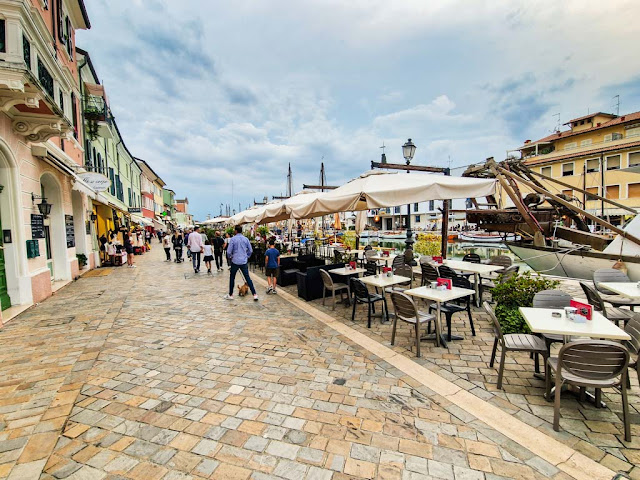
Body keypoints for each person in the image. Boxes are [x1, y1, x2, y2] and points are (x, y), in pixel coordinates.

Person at [225, 225, 258, 301]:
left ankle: (231, 294)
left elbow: (229, 251)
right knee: (248, 278)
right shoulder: (246, 239)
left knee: (232, 277)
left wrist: (230, 257)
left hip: (235, 261)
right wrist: (247, 256)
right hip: (243, 261)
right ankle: (254, 294)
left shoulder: (233, 239)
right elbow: (250, 250)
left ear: (236, 231)